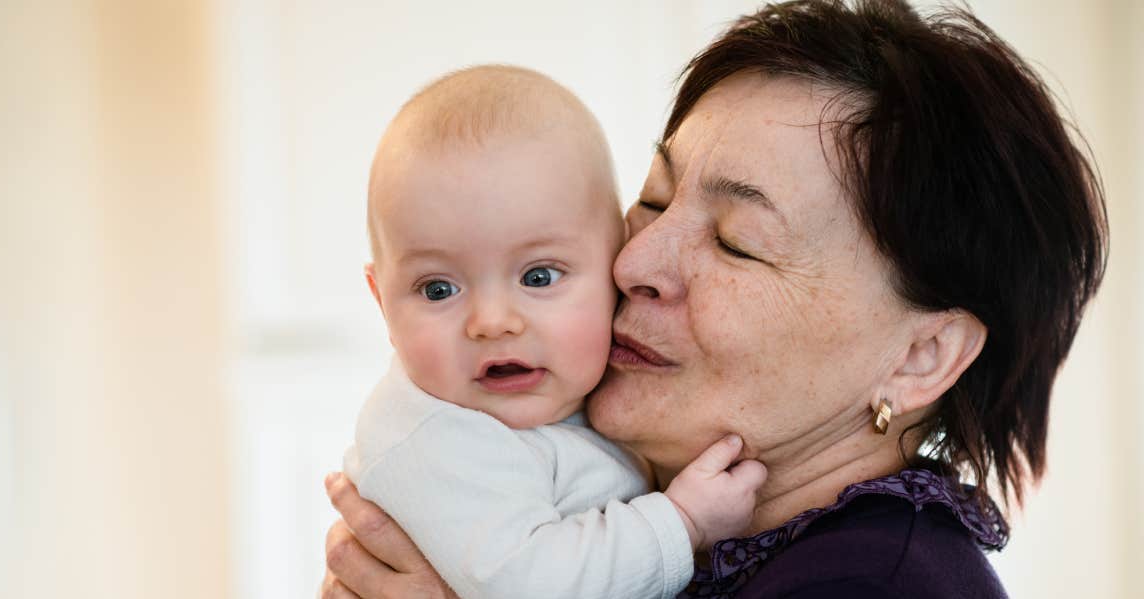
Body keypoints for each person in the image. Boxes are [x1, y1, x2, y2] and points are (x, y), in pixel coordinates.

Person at [321, 1, 1108, 597]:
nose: (635, 259)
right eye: (656, 198)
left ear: (919, 356)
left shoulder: (875, 582)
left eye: (736, 240)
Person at [349, 64, 767, 599]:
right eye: (437, 290)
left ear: (615, 257)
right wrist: (682, 521)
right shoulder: (438, 438)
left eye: (538, 276)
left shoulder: (588, 391)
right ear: (382, 304)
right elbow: (531, 584)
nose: (492, 322)